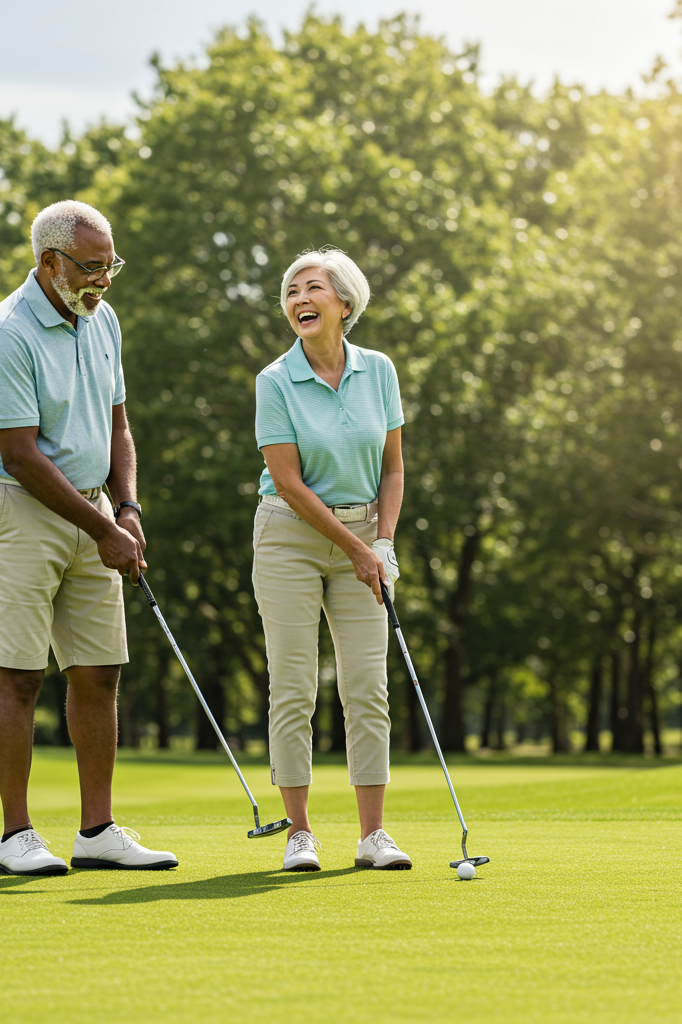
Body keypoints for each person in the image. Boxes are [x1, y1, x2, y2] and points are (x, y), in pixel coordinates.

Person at [0, 200, 177, 875]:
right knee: (21, 672)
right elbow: (23, 456)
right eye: (91, 267)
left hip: (94, 509)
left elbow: (119, 424)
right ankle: (16, 837)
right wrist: (104, 529)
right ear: (48, 263)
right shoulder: (6, 335)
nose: (104, 280)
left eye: (109, 264)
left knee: (98, 670)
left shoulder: (101, 317)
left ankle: (97, 830)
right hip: (18, 509)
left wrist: (129, 508)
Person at [252, 248, 409, 872]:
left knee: (368, 685)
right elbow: (287, 481)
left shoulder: (379, 371)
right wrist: (358, 549)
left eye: (311, 288)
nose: (298, 299)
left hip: (366, 536)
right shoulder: (274, 380)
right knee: (292, 686)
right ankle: (300, 834)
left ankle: (374, 835)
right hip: (288, 536)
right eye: (290, 291)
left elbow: (393, 467)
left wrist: (384, 543)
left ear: (345, 302)